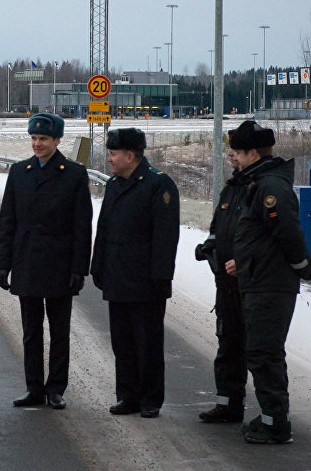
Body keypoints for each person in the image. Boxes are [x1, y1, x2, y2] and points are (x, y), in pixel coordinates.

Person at [226, 120, 311, 444]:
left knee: (264, 353)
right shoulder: (258, 182)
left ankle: (276, 425)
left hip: (270, 286)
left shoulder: (270, 188)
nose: (232, 157)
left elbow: (288, 233)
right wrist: (245, 261)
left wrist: (302, 266)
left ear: (253, 152)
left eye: (236, 151)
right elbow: (264, 238)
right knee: (262, 352)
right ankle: (271, 417)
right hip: (259, 279)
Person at [0, 112, 92, 410]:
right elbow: (7, 221)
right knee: (31, 332)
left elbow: (82, 226)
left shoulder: (74, 174)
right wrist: (3, 263)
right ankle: (34, 387)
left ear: (57, 140)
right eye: (34, 138)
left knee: (59, 332)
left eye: (43, 139)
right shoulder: (19, 172)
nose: (37, 144)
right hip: (27, 263)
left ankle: (56, 389)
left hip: (60, 265)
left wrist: (79, 268)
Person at [91, 127, 179, 419]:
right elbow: (104, 228)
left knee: (148, 343)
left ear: (131, 155)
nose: (110, 160)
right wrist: (98, 265)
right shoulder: (115, 185)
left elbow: (166, 237)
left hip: (145, 281)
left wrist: (161, 277)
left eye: (113, 154)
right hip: (117, 276)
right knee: (122, 342)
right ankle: (127, 395)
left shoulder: (158, 185)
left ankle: (151, 399)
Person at [194, 148, 248, 423]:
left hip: (253, 284)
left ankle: (274, 415)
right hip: (225, 282)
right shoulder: (231, 189)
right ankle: (227, 404)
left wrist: (243, 260)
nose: (230, 156)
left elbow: (271, 236)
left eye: (236, 152)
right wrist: (210, 245)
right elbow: (219, 226)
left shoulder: (261, 188)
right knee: (227, 344)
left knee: (257, 350)